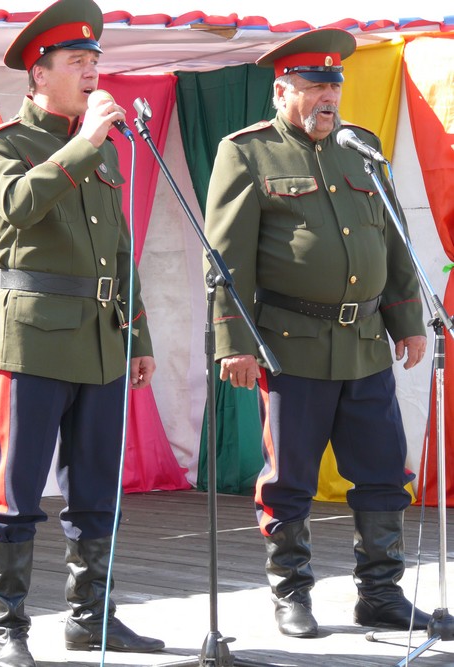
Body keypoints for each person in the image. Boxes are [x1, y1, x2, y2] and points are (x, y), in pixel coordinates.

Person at [204, 27, 431, 638]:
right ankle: (291, 594)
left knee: (384, 472)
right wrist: (235, 342)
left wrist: (407, 321)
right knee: (289, 480)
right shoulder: (247, 152)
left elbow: (393, 241)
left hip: (365, 346)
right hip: (290, 345)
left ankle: (381, 594)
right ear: (282, 91)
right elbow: (225, 260)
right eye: (314, 86)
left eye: (335, 86)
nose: (329, 97)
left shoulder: (361, 149)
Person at [0, 1, 164, 665]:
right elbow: (18, 205)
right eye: (77, 61)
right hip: (34, 338)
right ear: (39, 73)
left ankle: (92, 618)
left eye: (94, 61)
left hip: (103, 339)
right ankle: (8, 626)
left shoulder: (101, 147)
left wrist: (139, 335)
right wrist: (83, 146)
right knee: (18, 488)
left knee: (96, 488)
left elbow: (120, 250)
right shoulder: (0, 143)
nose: (91, 72)